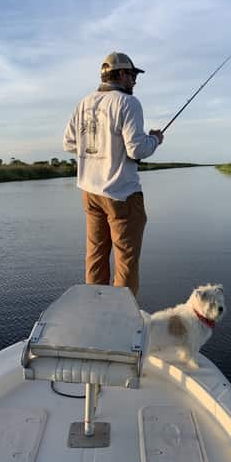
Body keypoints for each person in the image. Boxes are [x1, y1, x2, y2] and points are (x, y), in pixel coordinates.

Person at [63, 52, 163, 296]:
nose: (135, 82)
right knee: (126, 261)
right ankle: (122, 318)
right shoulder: (128, 103)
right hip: (122, 195)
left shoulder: (83, 102)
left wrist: (98, 150)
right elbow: (137, 149)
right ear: (120, 74)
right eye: (132, 75)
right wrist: (155, 139)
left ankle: (93, 309)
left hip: (90, 193)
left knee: (95, 256)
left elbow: (69, 143)